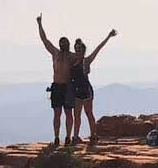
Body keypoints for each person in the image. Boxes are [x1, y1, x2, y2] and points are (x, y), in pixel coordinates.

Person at [70, 29, 117, 144]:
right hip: (76, 91)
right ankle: (75, 137)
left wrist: (108, 36)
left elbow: (98, 48)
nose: (77, 51)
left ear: (83, 51)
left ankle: (93, 135)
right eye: (76, 49)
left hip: (86, 91)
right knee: (77, 115)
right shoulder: (71, 60)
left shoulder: (86, 61)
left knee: (89, 113)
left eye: (79, 49)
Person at [36, 13, 76, 148]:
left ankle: (68, 138)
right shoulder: (55, 53)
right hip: (57, 87)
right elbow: (44, 40)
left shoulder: (72, 56)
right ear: (60, 44)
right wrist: (40, 24)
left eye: (66, 43)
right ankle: (57, 138)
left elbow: (84, 58)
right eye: (62, 43)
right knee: (57, 113)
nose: (64, 44)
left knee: (68, 113)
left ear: (69, 44)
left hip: (68, 87)